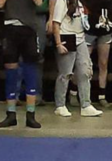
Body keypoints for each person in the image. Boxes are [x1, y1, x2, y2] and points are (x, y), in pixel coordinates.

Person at [52, 0, 104, 117]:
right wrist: (58, 43)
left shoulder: (80, 2)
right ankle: (60, 105)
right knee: (65, 73)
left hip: (80, 38)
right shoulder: (62, 2)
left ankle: (86, 104)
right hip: (67, 37)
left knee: (85, 71)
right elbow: (56, 23)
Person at [0, 0, 44, 128]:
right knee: (11, 70)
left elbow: (39, 3)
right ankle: (11, 114)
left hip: (28, 28)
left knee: (30, 69)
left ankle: (31, 114)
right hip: (10, 27)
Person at [83, 0, 112, 107]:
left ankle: (102, 95)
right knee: (84, 63)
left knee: (103, 63)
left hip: (105, 28)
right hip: (89, 28)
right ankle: (75, 92)